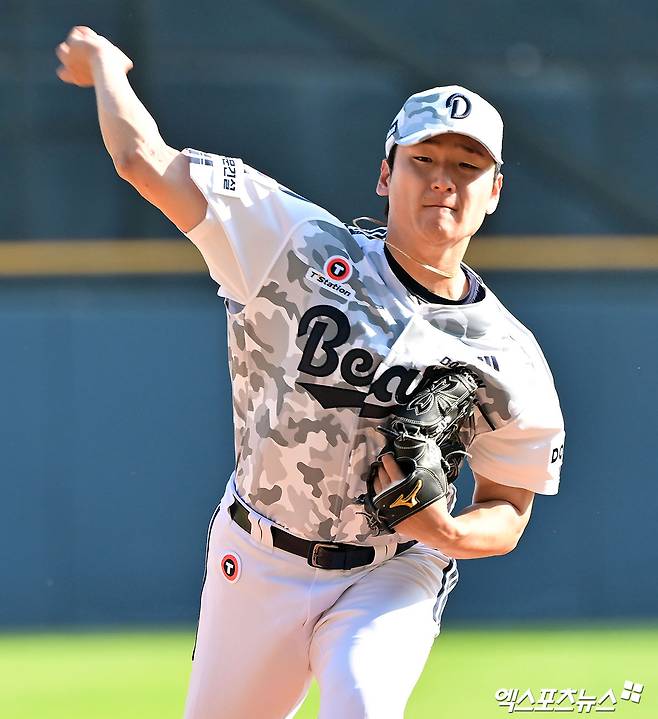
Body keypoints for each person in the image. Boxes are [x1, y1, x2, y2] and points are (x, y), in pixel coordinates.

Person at [56, 26, 565, 719]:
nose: (444, 179)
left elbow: (508, 509)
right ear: (386, 175)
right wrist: (106, 68)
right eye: (423, 159)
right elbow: (143, 161)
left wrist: (446, 534)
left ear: (495, 191)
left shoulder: (507, 355)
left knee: (362, 701)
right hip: (257, 558)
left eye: (468, 165)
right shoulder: (293, 246)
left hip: (392, 568)